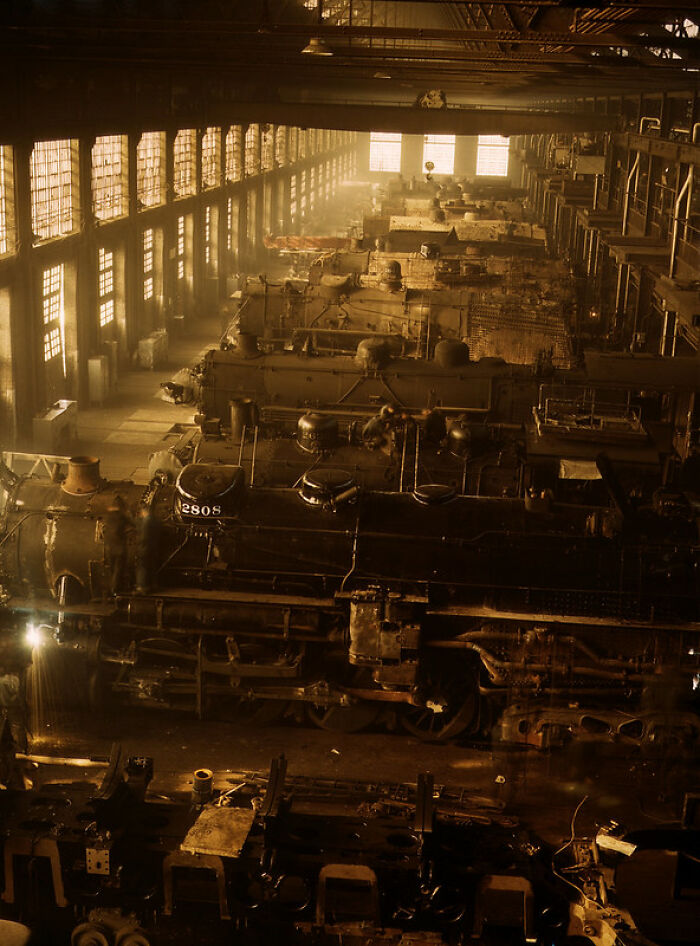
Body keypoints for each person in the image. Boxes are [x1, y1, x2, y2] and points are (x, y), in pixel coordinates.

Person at [102, 494, 131, 595]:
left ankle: (111, 588)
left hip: (109, 547)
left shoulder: (108, 516)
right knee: (119, 569)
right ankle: (116, 589)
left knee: (112, 568)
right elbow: (133, 524)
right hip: (119, 547)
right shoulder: (122, 516)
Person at [136, 504, 161, 594]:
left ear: (144, 511)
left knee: (143, 567)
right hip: (154, 547)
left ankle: (142, 587)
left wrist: (138, 543)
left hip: (145, 548)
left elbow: (144, 537)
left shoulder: (146, 521)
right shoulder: (156, 521)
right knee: (152, 567)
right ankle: (153, 586)